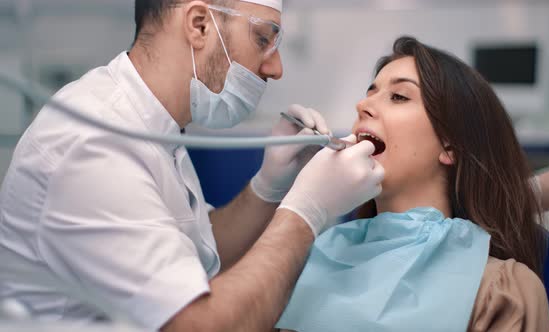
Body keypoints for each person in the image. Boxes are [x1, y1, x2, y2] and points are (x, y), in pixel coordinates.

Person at [0, 1, 385, 331]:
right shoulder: (92, 143)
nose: (276, 68)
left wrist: (269, 188)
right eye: (263, 40)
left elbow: (195, 254)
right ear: (200, 25)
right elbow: (198, 325)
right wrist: (307, 212)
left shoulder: (155, 123)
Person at [276, 37, 549, 332]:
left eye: (399, 96)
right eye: (370, 92)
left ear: (450, 145)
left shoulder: (498, 291)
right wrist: (276, 192)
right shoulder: (308, 263)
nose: (362, 105)